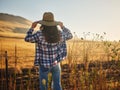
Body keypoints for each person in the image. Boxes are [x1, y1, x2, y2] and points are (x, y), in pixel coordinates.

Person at [25, 12, 73, 90]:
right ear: (54, 23)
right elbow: (70, 35)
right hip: (55, 63)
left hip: (44, 65)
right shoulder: (59, 33)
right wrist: (62, 27)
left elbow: (27, 38)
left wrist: (32, 28)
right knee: (57, 85)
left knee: (43, 86)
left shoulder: (39, 34)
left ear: (43, 24)